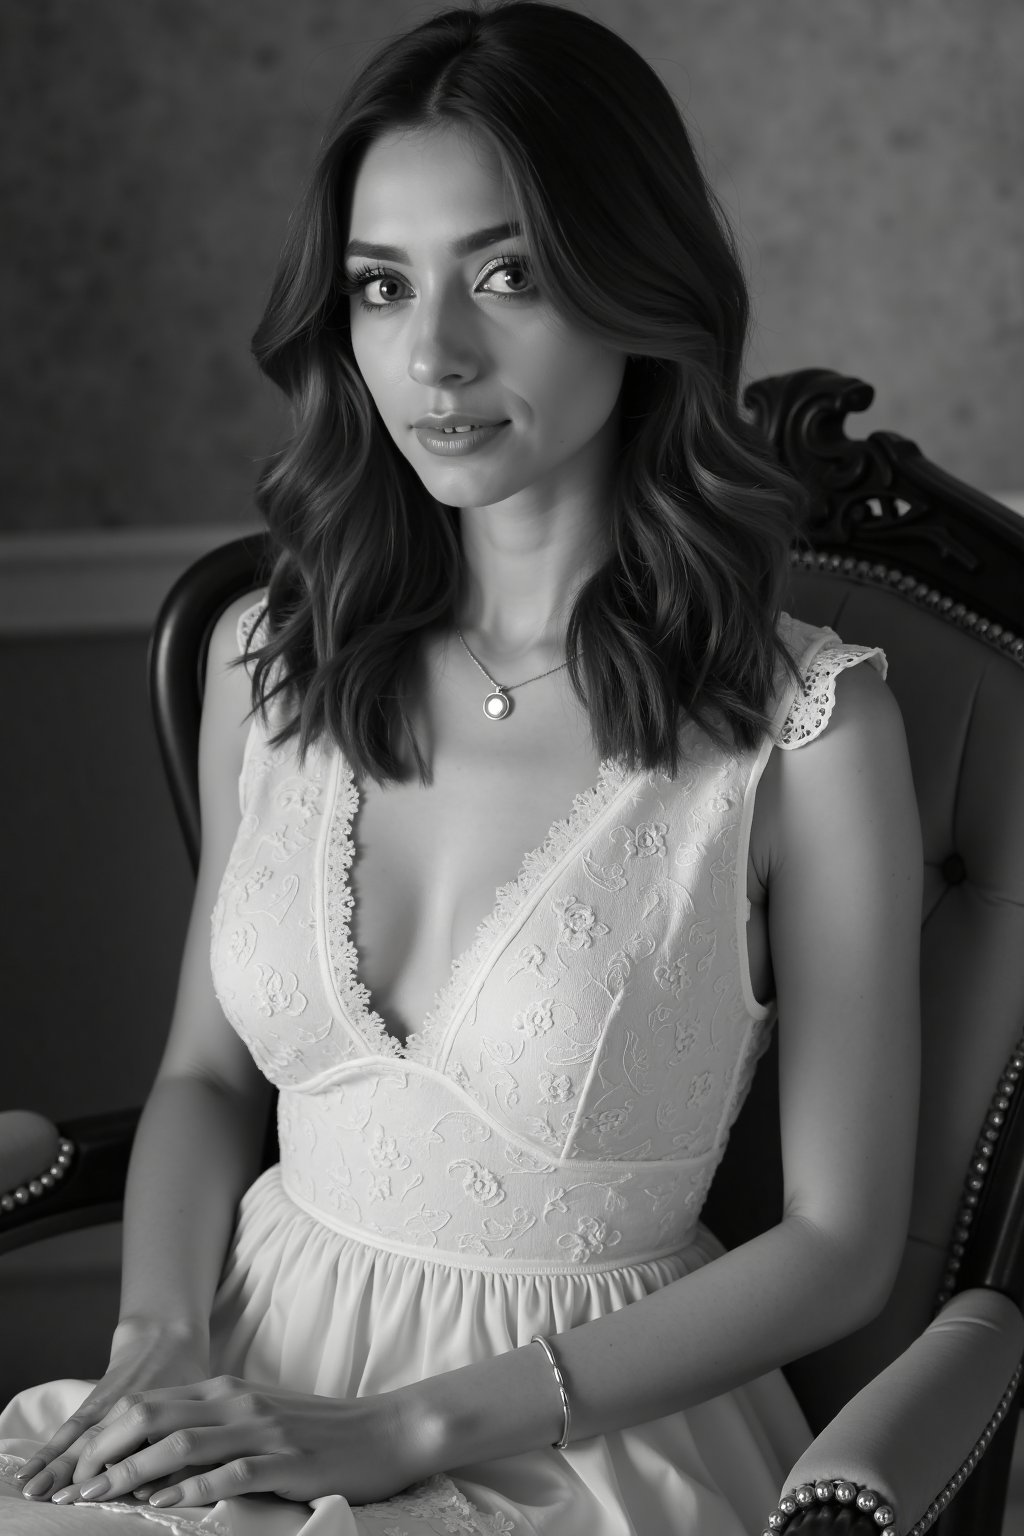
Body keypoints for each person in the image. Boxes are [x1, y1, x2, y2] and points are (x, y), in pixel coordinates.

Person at [0, 2, 923, 1532]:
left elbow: (840, 1242)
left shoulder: (809, 736)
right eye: (381, 285)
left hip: (579, 1437)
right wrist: (156, 1341)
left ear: (641, 289)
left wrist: (401, 1429)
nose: (432, 353)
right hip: (238, 1379)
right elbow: (204, 1072)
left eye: (508, 274)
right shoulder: (272, 661)